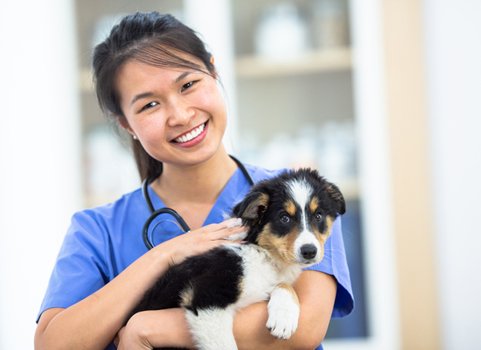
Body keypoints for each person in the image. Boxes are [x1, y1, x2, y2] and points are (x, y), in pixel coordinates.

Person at [34, 11, 353, 350]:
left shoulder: (297, 198)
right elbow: (54, 345)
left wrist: (149, 328)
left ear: (213, 72)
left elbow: (303, 328)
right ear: (126, 124)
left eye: (188, 85)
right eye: (150, 105)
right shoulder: (97, 231)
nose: (180, 115)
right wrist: (164, 256)